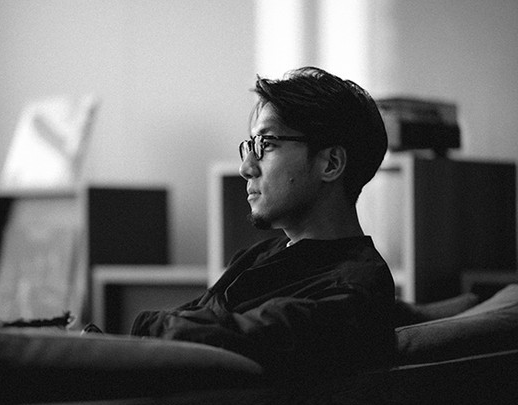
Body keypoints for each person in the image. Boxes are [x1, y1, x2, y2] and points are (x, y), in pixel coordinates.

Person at [131, 66, 396, 382]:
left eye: (267, 144)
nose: (246, 168)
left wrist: (150, 325)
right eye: (251, 145)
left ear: (330, 163)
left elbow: (195, 338)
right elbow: (179, 326)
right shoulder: (258, 256)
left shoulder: (352, 290)